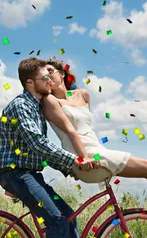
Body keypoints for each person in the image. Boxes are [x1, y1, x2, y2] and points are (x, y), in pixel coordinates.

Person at [0, 57, 104, 238]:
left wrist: (69, 169)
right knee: (57, 221)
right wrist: (73, 161)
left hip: (30, 173)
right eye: (46, 77)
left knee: (69, 218)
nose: (50, 81)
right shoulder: (22, 105)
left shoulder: (37, 105)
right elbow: (39, 144)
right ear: (31, 82)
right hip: (16, 173)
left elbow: (41, 150)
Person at [43, 57, 147, 187]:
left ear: (62, 74)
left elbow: (86, 128)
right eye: (44, 75)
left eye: (50, 71)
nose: (47, 76)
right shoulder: (50, 100)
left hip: (97, 151)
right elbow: (70, 131)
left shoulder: (83, 94)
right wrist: (83, 158)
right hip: (84, 156)